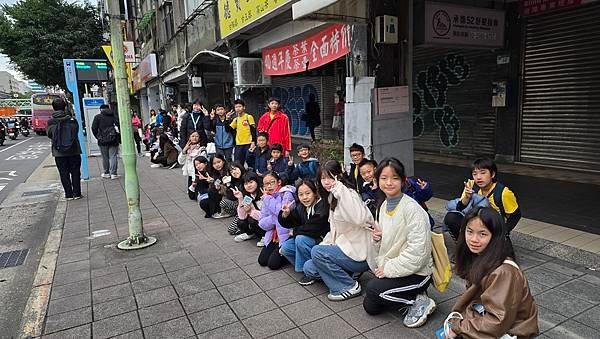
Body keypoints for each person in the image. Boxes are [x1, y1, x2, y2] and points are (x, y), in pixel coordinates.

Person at [362, 157, 436, 328]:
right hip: (398, 268)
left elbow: (418, 253)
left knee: (373, 289)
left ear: (403, 181)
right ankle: (414, 297)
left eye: (395, 178)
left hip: (418, 273)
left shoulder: (412, 209)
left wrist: (387, 269)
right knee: (371, 306)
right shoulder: (383, 205)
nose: (389, 182)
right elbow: (386, 246)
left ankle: (422, 302)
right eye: (384, 178)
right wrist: (378, 240)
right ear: (377, 179)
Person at [446, 207, 539, 338]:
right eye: (469, 231)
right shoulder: (479, 256)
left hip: (512, 331)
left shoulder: (504, 272)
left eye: (482, 234)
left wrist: (458, 327)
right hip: (491, 318)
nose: (473, 239)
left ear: (495, 236)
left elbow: (497, 321)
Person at [303, 160, 373, 301]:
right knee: (309, 267)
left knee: (317, 252)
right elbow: (334, 230)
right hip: (345, 249)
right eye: (323, 178)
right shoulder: (331, 197)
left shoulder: (348, 193)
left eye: (330, 177)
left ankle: (348, 286)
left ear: (339, 176)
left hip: (361, 253)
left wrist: (340, 190)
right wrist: (326, 246)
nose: (327, 182)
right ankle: (350, 273)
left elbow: (359, 218)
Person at [444, 158, 521, 240]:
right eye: (475, 174)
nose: (478, 177)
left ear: (492, 174)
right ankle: (463, 245)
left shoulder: (504, 193)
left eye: (483, 173)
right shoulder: (471, 185)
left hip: (493, 227)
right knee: (451, 218)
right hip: (474, 222)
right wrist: (467, 197)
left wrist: (504, 232)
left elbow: (516, 215)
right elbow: (459, 208)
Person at [279, 180, 329, 284]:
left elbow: (313, 228)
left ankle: (310, 273)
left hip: (323, 241)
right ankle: (307, 269)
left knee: (300, 239)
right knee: (286, 248)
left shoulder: (322, 206)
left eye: (308, 193)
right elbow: (292, 222)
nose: (304, 197)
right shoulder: (301, 207)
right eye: (301, 194)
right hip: (311, 239)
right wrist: (286, 214)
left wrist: (295, 232)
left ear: (315, 193)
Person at [258, 171, 296, 269]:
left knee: (273, 264)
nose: (269, 186)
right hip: (273, 236)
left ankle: (286, 253)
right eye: (266, 184)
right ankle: (277, 251)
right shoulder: (267, 196)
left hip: (286, 236)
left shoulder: (286, 193)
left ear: (279, 182)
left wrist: (267, 200)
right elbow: (262, 223)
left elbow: (282, 211)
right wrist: (275, 218)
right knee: (262, 261)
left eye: (272, 182)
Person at [46, 98, 82, 200]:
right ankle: (77, 193)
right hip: (74, 150)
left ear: (53, 108)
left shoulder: (50, 122)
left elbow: (49, 135)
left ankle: (69, 194)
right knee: (75, 172)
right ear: (64, 107)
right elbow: (75, 132)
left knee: (63, 173)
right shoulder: (72, 120)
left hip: (59, 152)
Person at [232, 172, 265, 245]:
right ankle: (250, 234)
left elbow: (265, 216)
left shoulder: (264, 194)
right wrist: (240, 199)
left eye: (251, 182)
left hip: (266, 222)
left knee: (252, 220)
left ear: (257, 181)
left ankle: (264, 236)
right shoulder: (247, 196)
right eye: (246, 184)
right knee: (240, 222)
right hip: (256, 219)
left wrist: (250, 211)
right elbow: (242, 217)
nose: (249, 185)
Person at [92, 104, 120, 179]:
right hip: (113, 140)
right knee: (113, 156)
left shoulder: (97, 117)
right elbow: (118, 128)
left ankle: (106, 173)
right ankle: (113, 173)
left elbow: (94, 128)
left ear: (101, 109)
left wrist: (98, 137)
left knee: (105, 157)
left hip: (102, 141)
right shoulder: (114, 116)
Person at [199, 154, 231, 219]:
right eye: (214, 163)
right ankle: (214, 212)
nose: (217, 165)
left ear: (223, 161)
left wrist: (215, 183)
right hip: (219, 195)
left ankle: (216, 212)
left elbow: (228, 186)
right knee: (203, 203)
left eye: (219, 162)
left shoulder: (229, 170)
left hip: (228, 196)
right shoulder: (215, 173)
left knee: (211, 191)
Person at [178, 131, 205, 200]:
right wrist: (184, 150)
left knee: (196, 197)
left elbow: (202, 165)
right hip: (190, 175)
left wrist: (195, 179)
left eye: (196, 136)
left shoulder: (201, 149)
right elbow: (180, 161)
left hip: (198, 175)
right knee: (191, 196)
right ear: (189, 137)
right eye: (192, 136)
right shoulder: (187, 149)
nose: (194, 138)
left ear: (199, 138)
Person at [230, 99, 256, 166]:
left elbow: (253, 130)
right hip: (238, 144)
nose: (238, 108)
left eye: (239, 106)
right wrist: (227, 119)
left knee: (250, 162)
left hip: (248, 143)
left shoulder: (248, 117)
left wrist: (253, 142)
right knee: (238, 164)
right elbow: (229, 129)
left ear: (244, 107)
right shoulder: (235, 119)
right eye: (236, 107)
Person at [222, 162, 246, 235]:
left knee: (232, 230)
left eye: (235, 169)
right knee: (223, 202)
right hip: (240, 206)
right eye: (231, 172)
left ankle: (249, 230)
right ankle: (236, 215)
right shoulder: (234, 181)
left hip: (249, 206)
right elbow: (231, 197)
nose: (234, 172)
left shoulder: (248, 177)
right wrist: (228, 185)